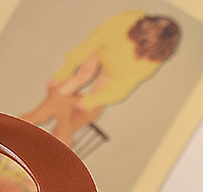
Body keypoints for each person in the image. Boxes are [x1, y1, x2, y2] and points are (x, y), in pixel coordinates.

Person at [21, 10, 181, 147]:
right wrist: (63, 74)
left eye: (143, 48)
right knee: (76, 81)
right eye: (138, 41)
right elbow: (90, 44)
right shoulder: (128, 19)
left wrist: (90, 101)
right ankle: (33, 124)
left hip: (115, 74)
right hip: (101, 50)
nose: (136, 48)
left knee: (90, 111)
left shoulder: (150, 62)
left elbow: (120, 90)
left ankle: (55, 138)